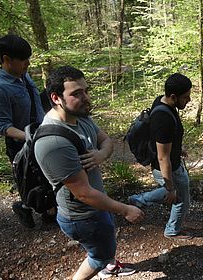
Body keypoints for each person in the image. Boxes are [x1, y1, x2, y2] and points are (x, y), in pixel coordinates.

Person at [34, 66, 144, 280]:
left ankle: (110, 265)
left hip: (98, 204)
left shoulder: (78, 115)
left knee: (105, 244)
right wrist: (125, 209)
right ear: (56, 98)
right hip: (83, 215)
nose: (85, 98)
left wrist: (101, 155)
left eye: (86, 90)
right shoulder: (54, 142)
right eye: (76, 93)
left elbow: (106, 140)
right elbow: (83, 193)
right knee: (98, 256)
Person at [0, 34, 47, 228]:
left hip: (39, 135)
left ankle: (48, 211)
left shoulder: (24, 77)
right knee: (28, 181)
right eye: (23, 60)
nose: (27, 63)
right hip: (20, 143)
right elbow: (3, 127)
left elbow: (35, 103)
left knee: (47, 175)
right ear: (6, 59)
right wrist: (29, 137)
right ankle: (23, 207)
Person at [128, 73, 193, 240]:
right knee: (181, 199)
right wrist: (170, 188)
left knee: (175, 191)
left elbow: (164, 140)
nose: (189, 100)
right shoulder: (164, 119)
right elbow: (163, 157)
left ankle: (139, 199)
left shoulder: (161, 101)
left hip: (171, 163)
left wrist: (178, 148)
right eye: (186, 97)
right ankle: (172, 230)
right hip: (168, 168)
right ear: (173, 96)